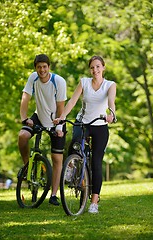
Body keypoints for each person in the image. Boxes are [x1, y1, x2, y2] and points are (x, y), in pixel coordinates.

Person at [53, 55, 116, 213]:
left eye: (98, 66)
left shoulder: (110, 85)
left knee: (96, 163)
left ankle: (94, 202)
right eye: (92, 67)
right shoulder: (84, 82)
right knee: (74, 144)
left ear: (103, 68)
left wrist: (112, 114)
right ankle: (72, 167)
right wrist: (62, 117)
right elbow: (73, 101)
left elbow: (111, 103)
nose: (95, 70)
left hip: (100, 125)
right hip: (83, 122)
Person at [18, 54, 67, 206]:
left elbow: (61, 107)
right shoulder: (33, 78)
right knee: (23, 135)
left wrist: (59, 127)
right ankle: (28, 167)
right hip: (39, 116)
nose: (42, 70)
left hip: (56, 120)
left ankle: (53, 194)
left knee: (57, 158)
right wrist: (25, 118)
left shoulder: (58, 81)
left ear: (49, 67)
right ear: (35, 68)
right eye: (39, 67)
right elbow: (25, 97)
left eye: (44, 66)